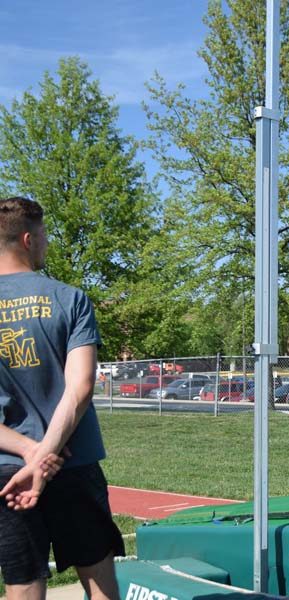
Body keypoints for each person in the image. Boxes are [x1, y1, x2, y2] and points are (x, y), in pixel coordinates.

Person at [0, 197, 124, 600]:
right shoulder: (69, 299)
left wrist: (29, 453)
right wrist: (46, 456)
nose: (46, 243)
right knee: (98, 574)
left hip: (8, 470)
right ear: (27, 239)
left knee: (23, 582)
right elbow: (80, 388)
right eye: (44, 236)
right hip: (72, 462)